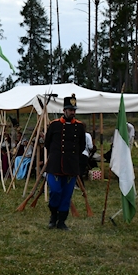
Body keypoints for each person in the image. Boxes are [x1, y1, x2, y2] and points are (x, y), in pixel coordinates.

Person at [43, 94, 85, 230]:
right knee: (55, 191)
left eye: (74, 110)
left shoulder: (79, 127)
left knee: (66, 195)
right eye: (70, 110)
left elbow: (81, 146)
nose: (72, 112)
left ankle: (61, 221)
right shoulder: (54, 125)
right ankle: (53, 217)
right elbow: (47, 143)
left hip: (71, 166)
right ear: (64, 110)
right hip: (55, 164)